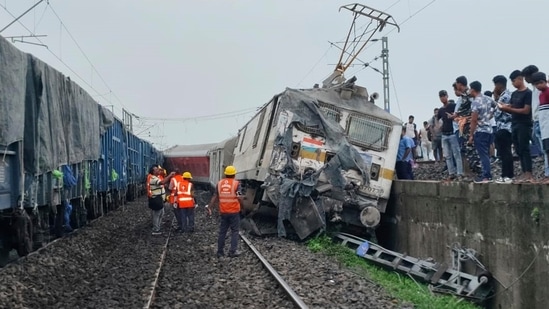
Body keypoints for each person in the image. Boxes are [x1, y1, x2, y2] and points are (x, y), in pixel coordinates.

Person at [498, 70, 534, 183]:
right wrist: (505, 106)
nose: (513, 84)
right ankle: (524, 173)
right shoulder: (514, 94)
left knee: (524, 148)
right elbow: (513, 105)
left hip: (524, 124)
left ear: (520, 79)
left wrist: (508, 109)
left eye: (514, 81)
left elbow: (526, 110)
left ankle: (528, 173)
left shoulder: (528, 93)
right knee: (518, 149)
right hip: (514, 124)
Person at [207, 165, 244, 258]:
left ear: (225, 174)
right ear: (234, 174)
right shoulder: (236, 184)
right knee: (235, 231)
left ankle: (220, 252)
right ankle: (232, 251)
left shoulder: (219, 183)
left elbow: (215, 196)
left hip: (223, 211)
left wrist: (210, 207)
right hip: (234, 211)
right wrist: (243, 206)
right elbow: (239, 196)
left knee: (222, 232)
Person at [523, 65, 549, 181]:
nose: (525, 80)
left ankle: (547, 173)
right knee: (543, 148)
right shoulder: (536, 90)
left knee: (546, 149)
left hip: (543, 121)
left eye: (526, 77)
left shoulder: (543, 91)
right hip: (538, 121)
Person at [468, 81, 495, 183]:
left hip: (480, 131)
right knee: (487, 153)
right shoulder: (487, 99)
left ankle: (486, 176)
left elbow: (474, 120)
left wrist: (471, 135)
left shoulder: (475, 102)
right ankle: (487, 174)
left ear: (473, 89)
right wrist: (490, 115)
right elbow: (496, 106)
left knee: (483, 155)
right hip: (489, 130)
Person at [437, 90, 464, 181]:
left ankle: (460, 173)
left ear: (447, 96)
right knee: (447, 155)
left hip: (453, 133)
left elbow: (459, 115)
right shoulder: (440, 110)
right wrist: (439, 126)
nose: (442, 98)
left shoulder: (453, 106)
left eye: (444, 95)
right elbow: (438, 120)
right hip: (444, 135)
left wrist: (453, 117)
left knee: (457, 154)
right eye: (441, 96)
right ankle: (451, 173)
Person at [492, 75, 514, 184]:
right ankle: (505, 174)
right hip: (503, 127)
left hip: (505, 127)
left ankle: (507, 175)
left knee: (505, 152)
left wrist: (496, 100)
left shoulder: (505, 96)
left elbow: (497, 113)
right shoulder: (503, 96)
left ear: (499, 85)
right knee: (504, 152)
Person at [532, 71, 549, 184]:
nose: (539, 86)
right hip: (544, 128)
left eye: (541, 83)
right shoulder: (540, 95)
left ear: (545, 81)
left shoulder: (548, 92)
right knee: (547, 151)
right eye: (536, 84)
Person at [148, 165, 175, 235]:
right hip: (156, 199)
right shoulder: (153, 178)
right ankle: (155, 229)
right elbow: (162, 183)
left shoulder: (156, 177)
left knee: (161, 213)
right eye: (156, 169)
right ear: (153, 172)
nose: (158, 170)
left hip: (159, 199)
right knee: (157, 214)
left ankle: (157, 227)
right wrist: (170, 176)